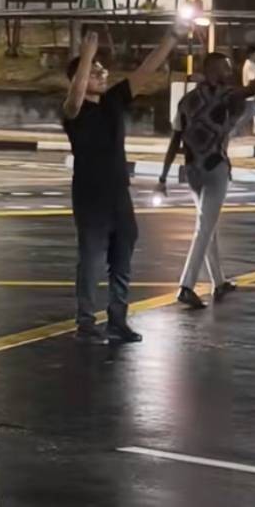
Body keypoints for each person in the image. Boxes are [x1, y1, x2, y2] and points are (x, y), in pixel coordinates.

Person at [63, 25, 183, 344]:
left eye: (102, 70)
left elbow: (146, 70)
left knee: (122, 255)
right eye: (94, 71)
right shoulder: (73, 113)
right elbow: (74, 99)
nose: (102, 74)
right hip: (90, 197)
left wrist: (172, 36)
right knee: (90, 259)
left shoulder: (113, 100)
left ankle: (118, 319)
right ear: (79, 78)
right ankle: (85, 323)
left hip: (119, 194)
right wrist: (86, 55)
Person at [158, 52, 255, 309]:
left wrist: (163, 176)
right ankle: (186, 285)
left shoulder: (187, 101)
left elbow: (175, 140)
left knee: (208, 224)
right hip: (215, 167)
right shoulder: (225, 96)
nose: (228, 73)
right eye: (225, 69)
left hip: (192, 170)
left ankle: (219, 281)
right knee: (205, 227)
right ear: (212, 71)